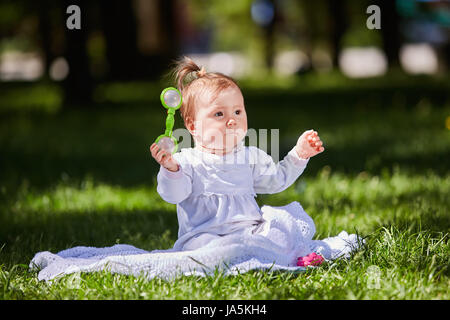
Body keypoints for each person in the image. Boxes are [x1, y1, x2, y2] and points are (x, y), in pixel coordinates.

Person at [150, 56, 335, 259]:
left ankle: (274, 252)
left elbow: (276, 180)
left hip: (248, 233)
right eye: (219, 114)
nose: (232, 121)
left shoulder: (250, 157)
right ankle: (244, 255)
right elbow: (173, 195)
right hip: (204, 236)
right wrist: (171, 170)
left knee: (279, 223)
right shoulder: (186, 162)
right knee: (204, 249)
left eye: (238, 111)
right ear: (193, 126)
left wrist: (299, 154)